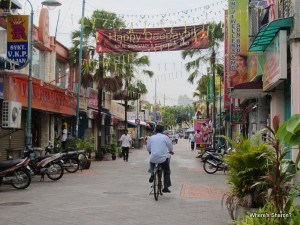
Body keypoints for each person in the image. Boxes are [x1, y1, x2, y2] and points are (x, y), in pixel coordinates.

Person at [147, 125, 174, 193]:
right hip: (163, 159)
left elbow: (148, 148)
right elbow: (170, 146)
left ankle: (152, 172)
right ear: (162, 131)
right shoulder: (165, 137)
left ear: (155, 130)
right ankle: (166, 187)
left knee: (152, 160)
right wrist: (171, 151)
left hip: (153, 158)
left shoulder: (151, 138)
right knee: (167, 171)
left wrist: (150, 151)